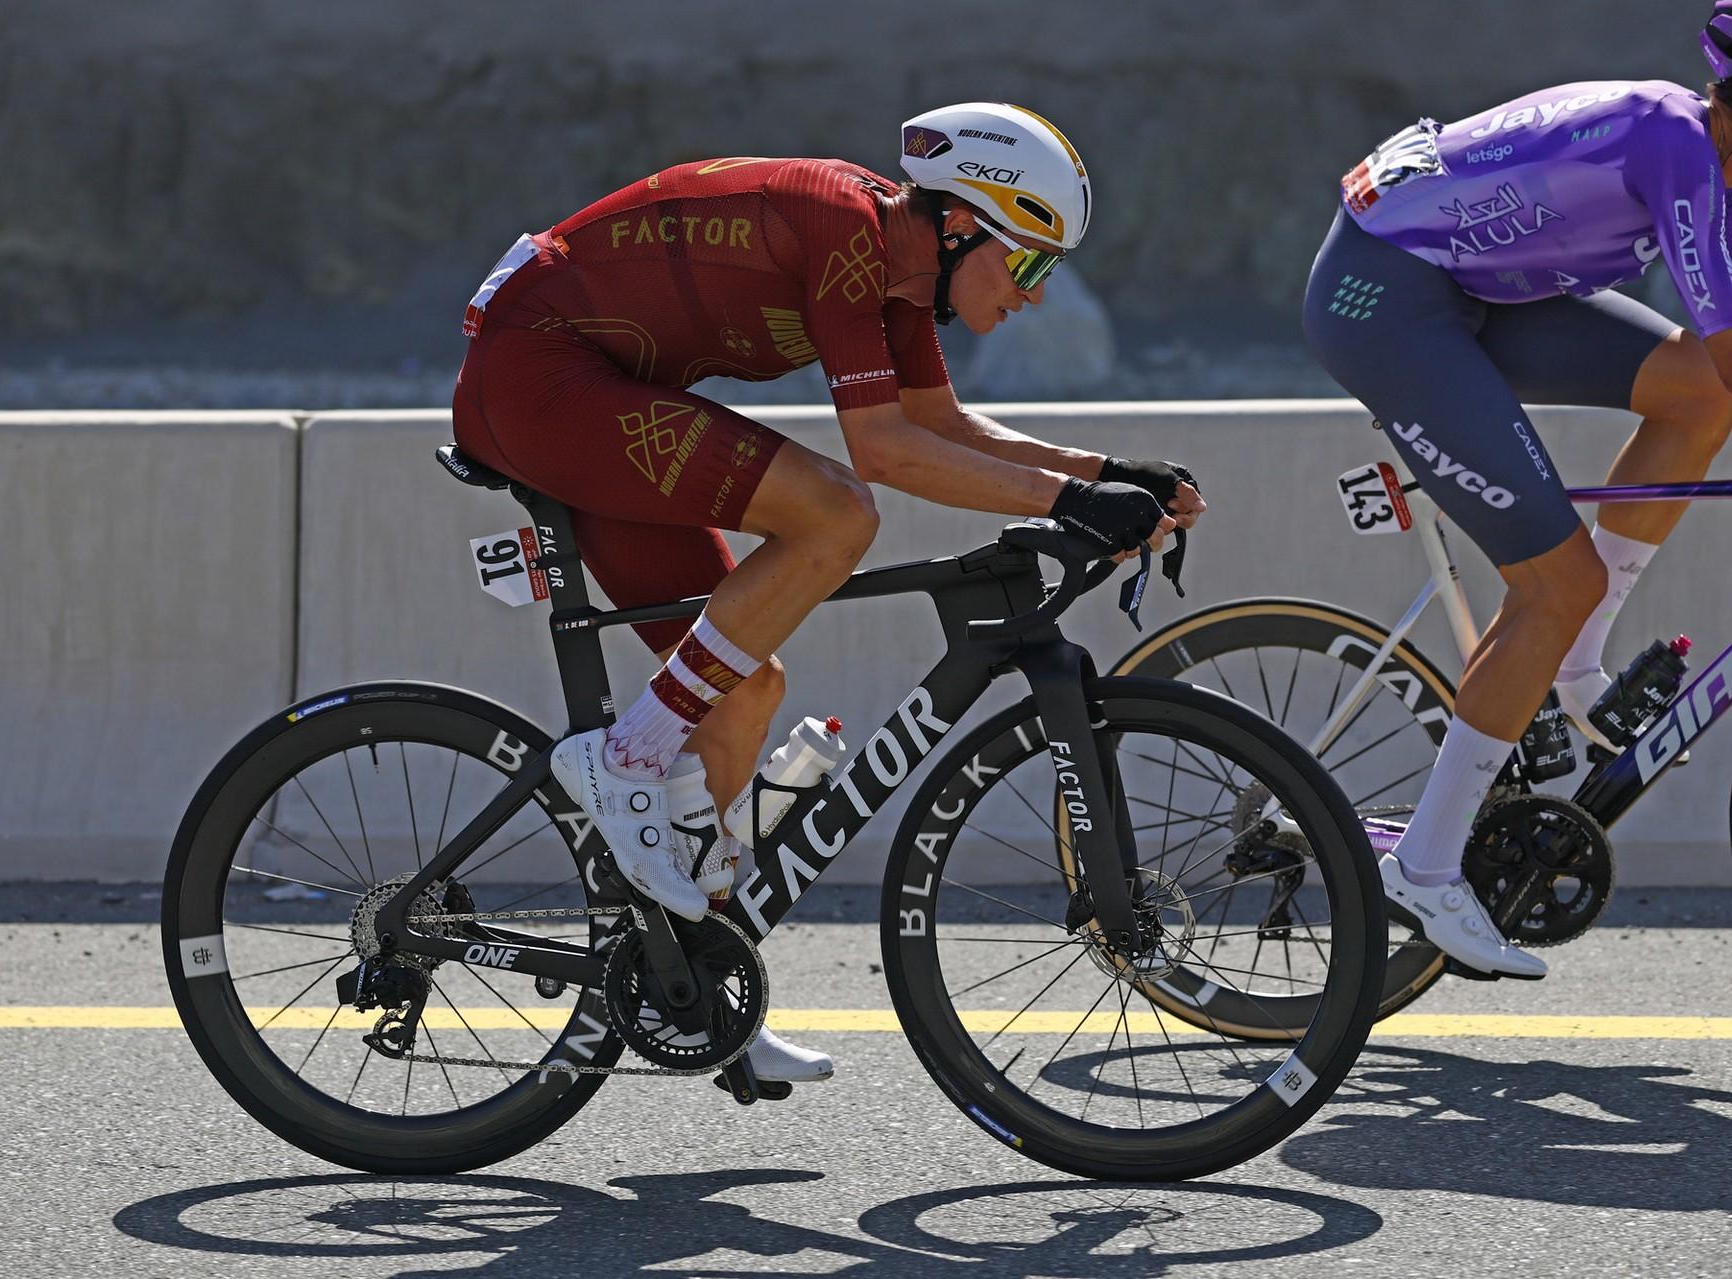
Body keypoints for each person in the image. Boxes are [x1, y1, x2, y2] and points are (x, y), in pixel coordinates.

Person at [452, 102, 1205, 1080]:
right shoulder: (846, 234)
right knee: (837, 511)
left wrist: (1110, 471)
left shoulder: (901, 266)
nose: (1035, 295)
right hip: (539, 372)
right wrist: (1071, 499)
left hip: (592, 384)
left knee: (742, 693)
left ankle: (701, 991)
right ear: (961, 223)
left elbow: (945, 425)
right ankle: (625, 757)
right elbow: (883, 454)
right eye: (1026, 264)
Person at [1302, 11, 1732, 979]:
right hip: (1389, 300)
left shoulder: (1702, 143)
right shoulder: (1681, 150)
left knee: (1695, 395)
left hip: (1475, 286)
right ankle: (1424, 863)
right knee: (1554, 580)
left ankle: (1576, 662)